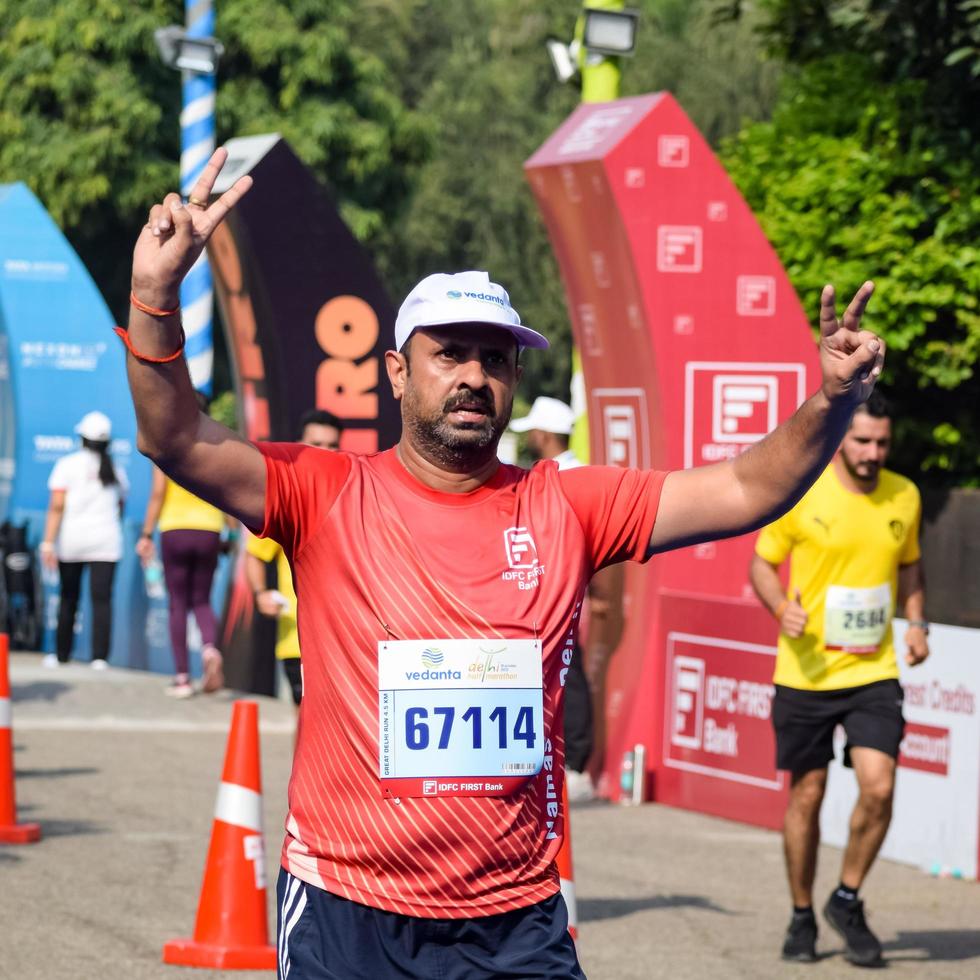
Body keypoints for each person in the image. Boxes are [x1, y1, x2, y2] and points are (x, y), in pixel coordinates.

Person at [121, 148, 883, 979]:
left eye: (496, 359)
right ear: (397, 372)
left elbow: (744, 488)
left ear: (516, 375)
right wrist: (156, 299)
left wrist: (833, 400)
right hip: (347, 908)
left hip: (515, 918)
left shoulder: (568, 502)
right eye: (450, 354)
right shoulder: (327, 493)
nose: (475, 377)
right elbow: (177, 436)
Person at [749, 392, 928, 967]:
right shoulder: (805, 492)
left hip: (874, 670)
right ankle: (802, 913)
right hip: (807, 671)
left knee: (879, 786)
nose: (873, 453)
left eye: (882, 443)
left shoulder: (906, 495)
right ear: (843, 439)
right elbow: (761, 561)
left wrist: (917, 621)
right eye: (863, 442)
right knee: (808, 793)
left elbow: (910, 563)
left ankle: (846, 898)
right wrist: (781, 608)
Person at [510, 396, 595, 801]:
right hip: (542, 598)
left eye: (533, 433)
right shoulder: (555, 475)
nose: (530, 440)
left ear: (544, 435)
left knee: (568, 674)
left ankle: (576, 766)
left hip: (565, 597)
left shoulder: (571, 479)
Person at [136, 392, 235, 697]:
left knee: (178, 603)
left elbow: (156, 494)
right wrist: (230, 533)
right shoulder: (218, 448)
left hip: (175, 529)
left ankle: (182, 678)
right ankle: (209, 650)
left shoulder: (167, 446)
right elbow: (227, 492)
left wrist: (146, 533)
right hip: (209, 530)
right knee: (202, 600)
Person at [245, 410, 343, 718]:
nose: (325, 453)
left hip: (347, 639)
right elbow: (255, 554)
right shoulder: (288, 501)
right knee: (307, 719)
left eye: (332, 445)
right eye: (316, 443)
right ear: (301, 445)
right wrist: (261, 593)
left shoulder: (352, 494)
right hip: (297, 640)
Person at [40, 411, 128, 668]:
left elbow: (56, 506)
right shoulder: (116, 469)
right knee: (102, 600)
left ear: (82, 438)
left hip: (72, 541)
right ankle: (100, 658)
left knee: (68, 597)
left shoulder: (67, 464)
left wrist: (47, 542)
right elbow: (121, 504)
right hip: (106, 542)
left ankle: (61, 655)